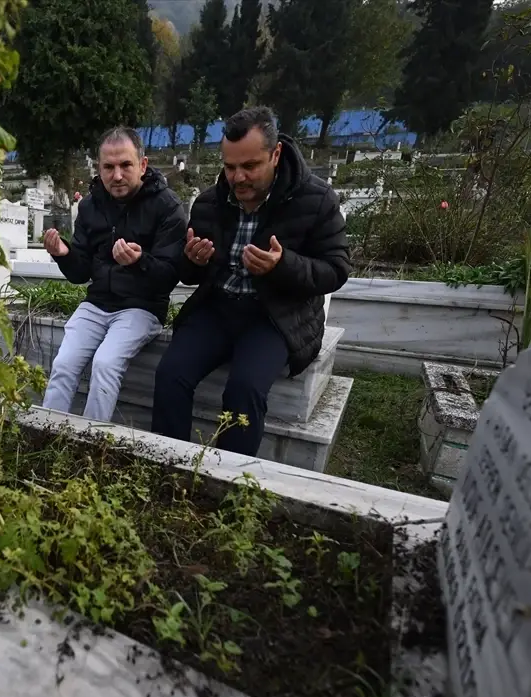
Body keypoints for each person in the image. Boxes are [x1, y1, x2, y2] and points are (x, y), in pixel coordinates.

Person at [150, 106, 350, 457]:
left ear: (276, 154)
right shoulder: (210, 203)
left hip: (276, 316)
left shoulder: (316, 200)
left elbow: (336, 269)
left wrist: (282, 265)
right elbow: (189, 275)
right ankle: (170, 465)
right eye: (230, 167)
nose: (238, 177)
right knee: (170, 374)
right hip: (218, 307)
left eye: (250, 166)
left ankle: (227, 479)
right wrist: (193, 261)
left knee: (244, 389)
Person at [40, 127, 187, 422]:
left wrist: (139, 261)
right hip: (97, 304)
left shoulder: (167, 206)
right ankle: (44, 433)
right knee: (64, 364)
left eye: (125, 165)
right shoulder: (90, 205)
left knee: (105, 364)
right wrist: (64, 254)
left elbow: (171, 274)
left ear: (142, 165)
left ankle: (91, 441)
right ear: (99, 168)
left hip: (142, 307)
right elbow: (81, 272)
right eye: (108, 167)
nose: (117, 175)